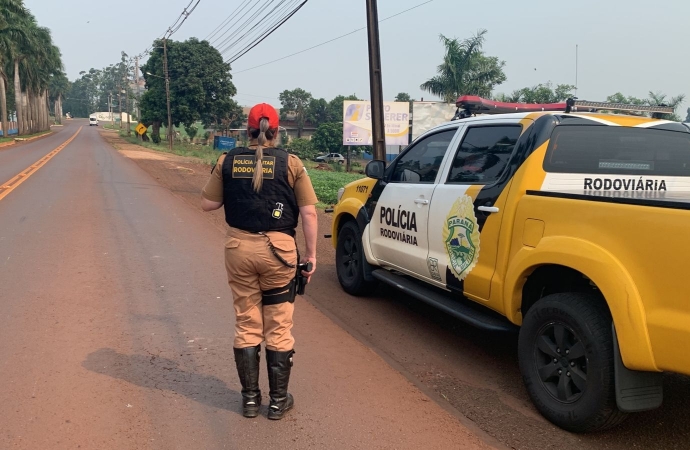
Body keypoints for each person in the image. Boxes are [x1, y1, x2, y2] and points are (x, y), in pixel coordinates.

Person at [200, 103, 318, 420]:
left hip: (239, 249)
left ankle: (250, 400)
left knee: (247, 323)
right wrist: (310, 255)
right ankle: (278, 401)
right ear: (276, 131)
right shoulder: (292, 163)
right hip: (280, 253)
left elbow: (208, 204)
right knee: (278, 326)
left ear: (248, 130)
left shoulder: (227, 160)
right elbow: (308, 212)